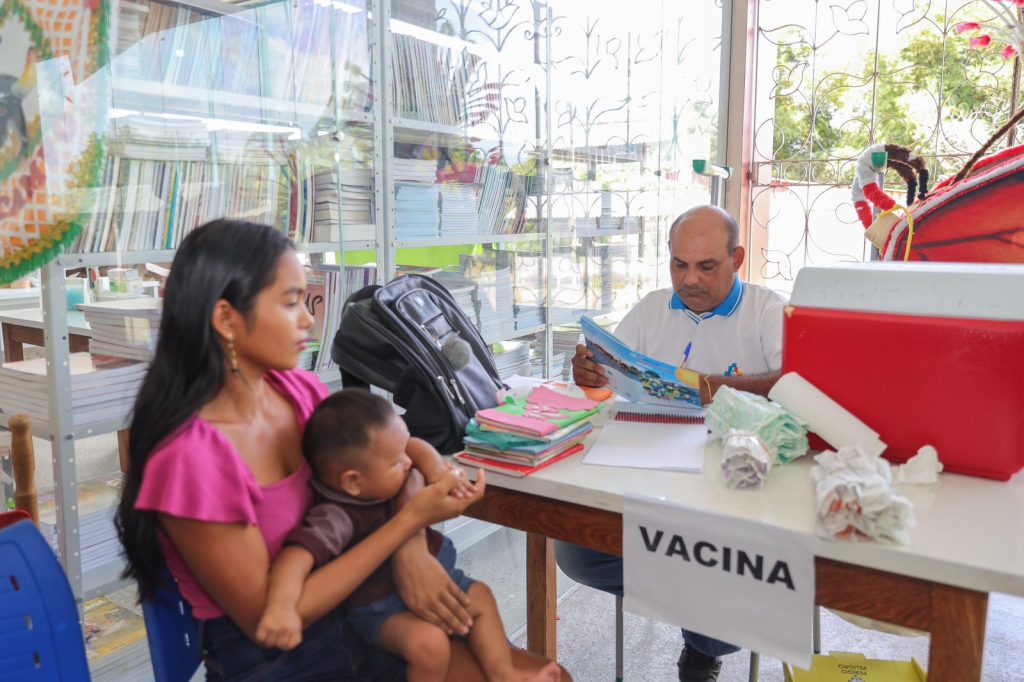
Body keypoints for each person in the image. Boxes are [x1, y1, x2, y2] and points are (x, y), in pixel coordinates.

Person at [116, 219, 569, 681]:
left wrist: (411, 552)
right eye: (291, 302)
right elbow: (269, 621)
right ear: (227, 319)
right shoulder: (189, 460)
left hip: (363, 618)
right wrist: (407, 525)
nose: (309, 319)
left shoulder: (299, 392)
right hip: (286, 660)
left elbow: (394, 456)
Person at [564, 205, 786, 682]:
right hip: (650, 472)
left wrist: (712, 387)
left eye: (707, 267)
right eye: (679, 264)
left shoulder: (767, 309)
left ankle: (703, 646)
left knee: (741, 557)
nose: (690, 280)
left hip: (731, 481)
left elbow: (794, 383)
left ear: (737, 258)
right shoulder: (650, 309)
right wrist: (590, 376)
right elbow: (608, 387)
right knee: (576, 550)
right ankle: (708, 621)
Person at [255, 388, 561, 682]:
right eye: (396, 462)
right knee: (429, 644)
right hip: (380, 607)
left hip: (435, 582)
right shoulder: (336, 515)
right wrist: (280, 607)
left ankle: (502, 674)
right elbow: (296, 557)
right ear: (352, 482)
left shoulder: (378, 470)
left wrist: (438, 471)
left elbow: (414, 446)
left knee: (481, 596)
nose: (407, 462)